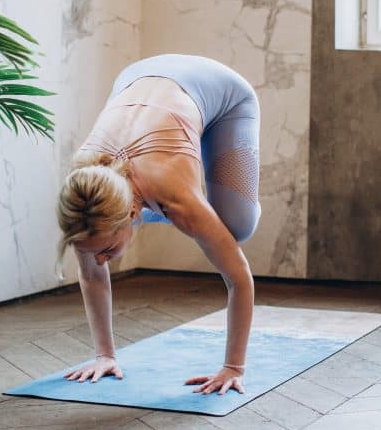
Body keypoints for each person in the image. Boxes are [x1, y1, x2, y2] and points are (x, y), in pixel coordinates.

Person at [56, 54, 260, 396]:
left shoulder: (175, 193)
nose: (103, 260)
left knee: (235, 227)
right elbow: (92, 274)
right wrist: (104, 355)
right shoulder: (83, 192)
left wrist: (233, 367)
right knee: (96, 236)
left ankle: (231, 207)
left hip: (224, 93)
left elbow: (239, 277)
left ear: (131, 212)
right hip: (135, 78)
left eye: (107, 250)